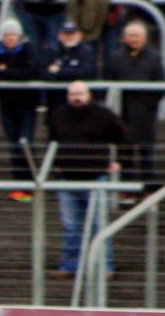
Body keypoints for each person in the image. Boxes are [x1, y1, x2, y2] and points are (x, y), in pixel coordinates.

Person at [46, 80, 125, 277]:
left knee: (99, 224)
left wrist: (120, 162)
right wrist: (55, 164)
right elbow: (52, 141)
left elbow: (124, 137)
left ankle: (105, 266)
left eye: (80, 94)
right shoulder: (59, 115)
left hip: (96, 179)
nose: (77, 98)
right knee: (70, 225)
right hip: (67, 179)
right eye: (73, 94)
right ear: (68, 96)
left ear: (88, 94)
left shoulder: (104, 115)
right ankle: (69, 266)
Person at [104, 20, 165, 190]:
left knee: (146, 153)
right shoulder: (116, 57)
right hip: (121, 113)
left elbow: (161, 85)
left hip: (145, 113)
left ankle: (149, 189)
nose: (134, 39)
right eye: (130, 35)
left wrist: (148, 104)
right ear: (124, 37)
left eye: (137, 35)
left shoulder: (154, 57)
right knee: (124, 153)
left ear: (144, 38)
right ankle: (125, 190)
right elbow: (108, 82)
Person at [0, 18, 39, 200]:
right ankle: (19, 184)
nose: (9, 38)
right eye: (6, 35)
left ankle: (31, 182)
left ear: (19, 36)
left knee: (25, 142)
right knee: (13, 144)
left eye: (12, 35)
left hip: (27, 104)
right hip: (6, 104)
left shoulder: (28, 49)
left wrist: (7, 71)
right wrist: (12, 72)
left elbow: (30, 72)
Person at [43, 20, 96, 107]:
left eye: (72, 34)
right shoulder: (51, 50)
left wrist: (59, 71)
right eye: (66, 34)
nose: (69, 37)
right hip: (56, 98)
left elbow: (85, 73)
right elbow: (44, 73)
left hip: (79, 100)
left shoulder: (86, 51)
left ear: (79, 35)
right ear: (60, 36)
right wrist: (71, 71)